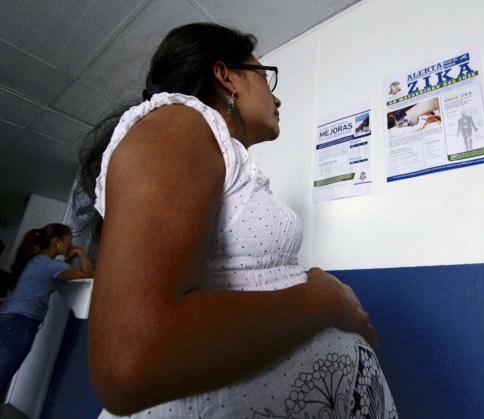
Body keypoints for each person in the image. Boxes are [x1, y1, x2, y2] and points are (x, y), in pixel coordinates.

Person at [75, 23, 397, 418]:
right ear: (226, 76)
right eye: (266, 78)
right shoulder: (177, 123)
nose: (277, 98)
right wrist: (325, 300)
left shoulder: (219, 155)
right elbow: (131, 363)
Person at [0, 224, 93, 397]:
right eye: (69, 241)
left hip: (10, 319)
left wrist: (69, 259)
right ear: (57, 242)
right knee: (3, 373)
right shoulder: (48, 265)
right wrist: (81, 254)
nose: (70, 245)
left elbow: (64, 273)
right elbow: (87, 274)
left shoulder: (39, 261)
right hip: (20, 322)